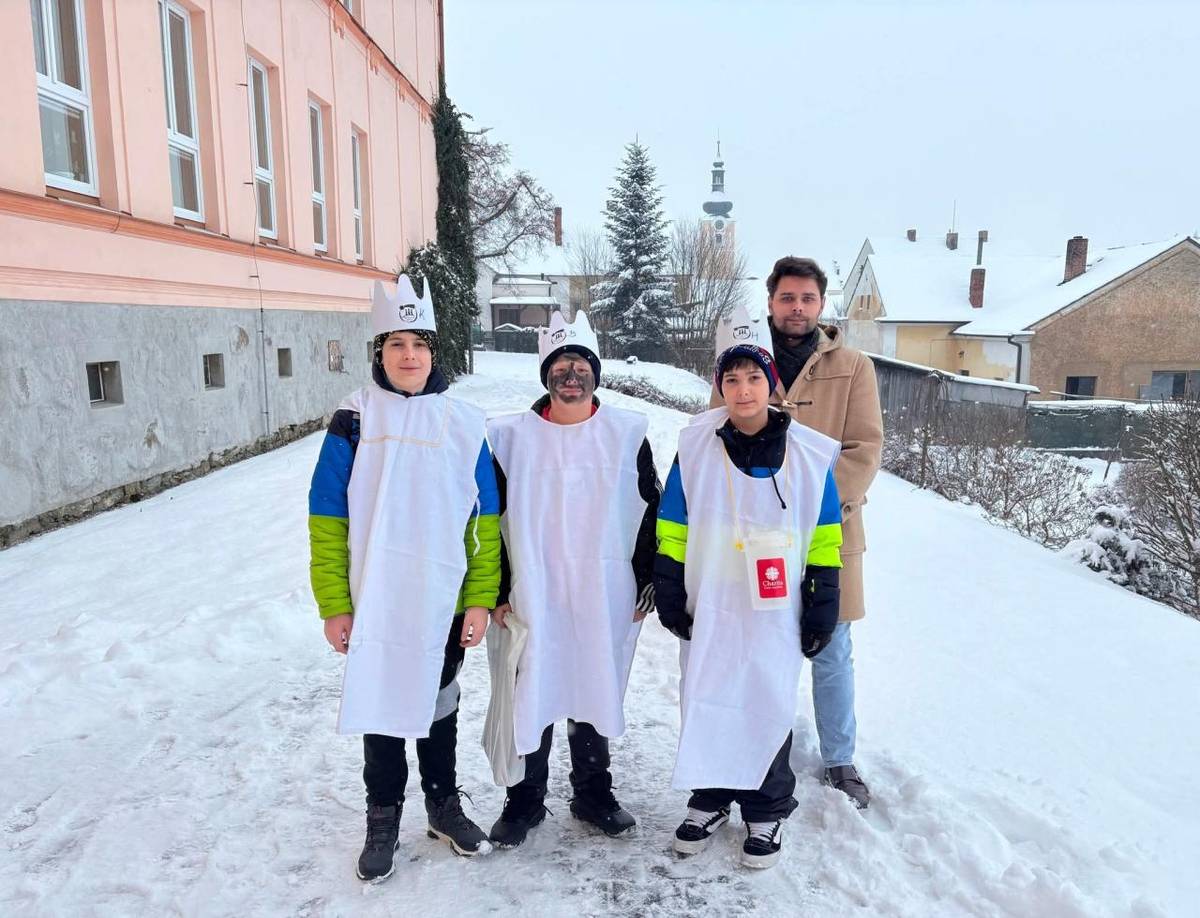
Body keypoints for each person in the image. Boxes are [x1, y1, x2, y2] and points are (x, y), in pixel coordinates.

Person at [308, 275, 500, 881]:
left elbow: (484, 520)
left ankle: (442, 804)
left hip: (440, 598)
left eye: (419, 344)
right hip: (376, 598)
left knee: (440, 703)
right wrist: (334, 603)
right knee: (383, 704)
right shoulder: (354, 420)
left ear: (434, 352)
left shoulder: (465, 423)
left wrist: (478, 600)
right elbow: (327, 517)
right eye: (396, 345)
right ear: (380, 353)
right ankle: (383, 814)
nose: (409, 356)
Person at [659, 305, 843, 868]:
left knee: (767, 696)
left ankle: (766, 808)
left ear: (772, 383)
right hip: (713, 597)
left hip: (776, 604)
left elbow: (825, 531)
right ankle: (710, 797)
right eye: (731, 379)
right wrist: (669, 583)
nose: (743, 390)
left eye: (754, 377)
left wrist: (823, 597)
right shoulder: (694, 447)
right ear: (719, 386)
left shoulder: (810, 457)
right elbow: (673, 522)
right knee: (709, 693)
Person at [709, 256, 882, 809]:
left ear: (821, 304)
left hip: (831, 531)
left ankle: (839, 758)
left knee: (830, 646)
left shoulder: (853, 366)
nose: (797, 308)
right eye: (787, 298)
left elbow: (864, 448)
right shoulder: (741, 359)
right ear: (771, 303)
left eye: (807, 298)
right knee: (757, 644)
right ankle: (760, 745)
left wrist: (816, 504)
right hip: (753, 535)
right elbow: (718, 436)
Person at [484, 311, 660, 848]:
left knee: (591, 681)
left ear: (594, 372)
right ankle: (524, 800)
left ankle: (592, 792)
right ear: (546, 374)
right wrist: (494, 591)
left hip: (602, 588)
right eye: (560, 364)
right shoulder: (510, 437)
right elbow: (488, 519)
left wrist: (647, 577)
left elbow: (652, 509)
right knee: (531, 685)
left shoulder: (627, 435)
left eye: (580, 363)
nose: (571, 372)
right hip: (531, 589)